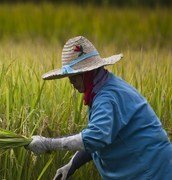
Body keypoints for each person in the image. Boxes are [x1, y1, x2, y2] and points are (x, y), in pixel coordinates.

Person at [26, 36, 172, 180]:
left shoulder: (107, 96)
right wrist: (72, 164)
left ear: (88, 73)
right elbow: (100, 137)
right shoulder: (101, 89)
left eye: (75, 76)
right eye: (69, 76)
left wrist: (47, 144)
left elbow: (95, 138)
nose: (71, 81)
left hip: (151, 171)